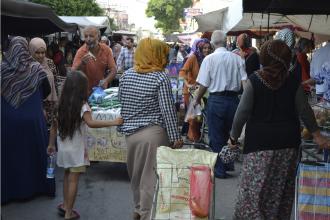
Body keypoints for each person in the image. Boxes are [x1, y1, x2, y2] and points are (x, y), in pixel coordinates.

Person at [229, 40, 330, 220]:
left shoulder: (255, 80)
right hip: (288, 146)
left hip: (259, 146)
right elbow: (304, 110)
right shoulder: (292, 82)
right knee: (279, 194)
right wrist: (316, 135)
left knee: (253, 196)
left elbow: (241, 113)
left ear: (266, 58)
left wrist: (233, 138)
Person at [118, 38, 183, 220]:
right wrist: (175, 137)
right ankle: (147, 215)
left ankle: (138, 210)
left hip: (131, 136)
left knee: (136, 178)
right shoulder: (160, 76)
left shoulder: (126, 75)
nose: (166, 58)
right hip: (153, 135)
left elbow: (122, 103)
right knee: (150, 180)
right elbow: (167, 109)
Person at [47, 70, 123, 220]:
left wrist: (51, 144)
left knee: (68, 175)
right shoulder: (82, 106)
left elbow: (53, 127)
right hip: (76, 150)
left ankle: (65, 205)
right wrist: (113, 122)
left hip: (63, 149)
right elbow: (91, 123)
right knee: (74, 179)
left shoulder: (60, 104)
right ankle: (69, 212)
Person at [1, 36, 53, 203]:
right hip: (33, 120)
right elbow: (46, 91)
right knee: (33, 154)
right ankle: (36, 188)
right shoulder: (36, 69)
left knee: (10, 156)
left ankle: (9, 192)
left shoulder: (2, 69)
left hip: (7, 120)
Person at [194, 30, 247, 178]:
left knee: (216, 135)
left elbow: (203, 84)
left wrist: (196, 100)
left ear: (212, 44)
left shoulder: (209, 59)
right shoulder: (237, 59)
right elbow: (245, 83)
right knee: (230, 134)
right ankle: (228, 164)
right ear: (226, 42)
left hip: (216, 100)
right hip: (233, 101)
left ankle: (220, 170)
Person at [179, 38, 211, 141]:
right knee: (193, 118)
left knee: (199, 118)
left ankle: (194, 138)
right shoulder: (193, 57)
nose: (207, 50)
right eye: (204, 48)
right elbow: (182, 72)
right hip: (190, 92)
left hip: (202, 91)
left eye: (209, 48)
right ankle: (194, 140)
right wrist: (188, 84)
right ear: (200, 48)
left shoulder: (209, 59)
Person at [72, 25, 117, 92]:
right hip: (84, 91)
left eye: (91, 36)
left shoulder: (106, 49)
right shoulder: (81, 51)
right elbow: (73, 72)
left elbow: (113, 70)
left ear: (98, 37)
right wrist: (82, 64)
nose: (88, 39)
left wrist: (106, 80)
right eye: (86, 36)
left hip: (99, 90)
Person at [29, 37, 58, 128]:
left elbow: (55, 81)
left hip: (50, 104)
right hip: (35, 104)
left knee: (49, 129)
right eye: (37, 53)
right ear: (31, 51)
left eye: (43, 52)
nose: (41, 55)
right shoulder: (27, 65)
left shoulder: (50, 63)